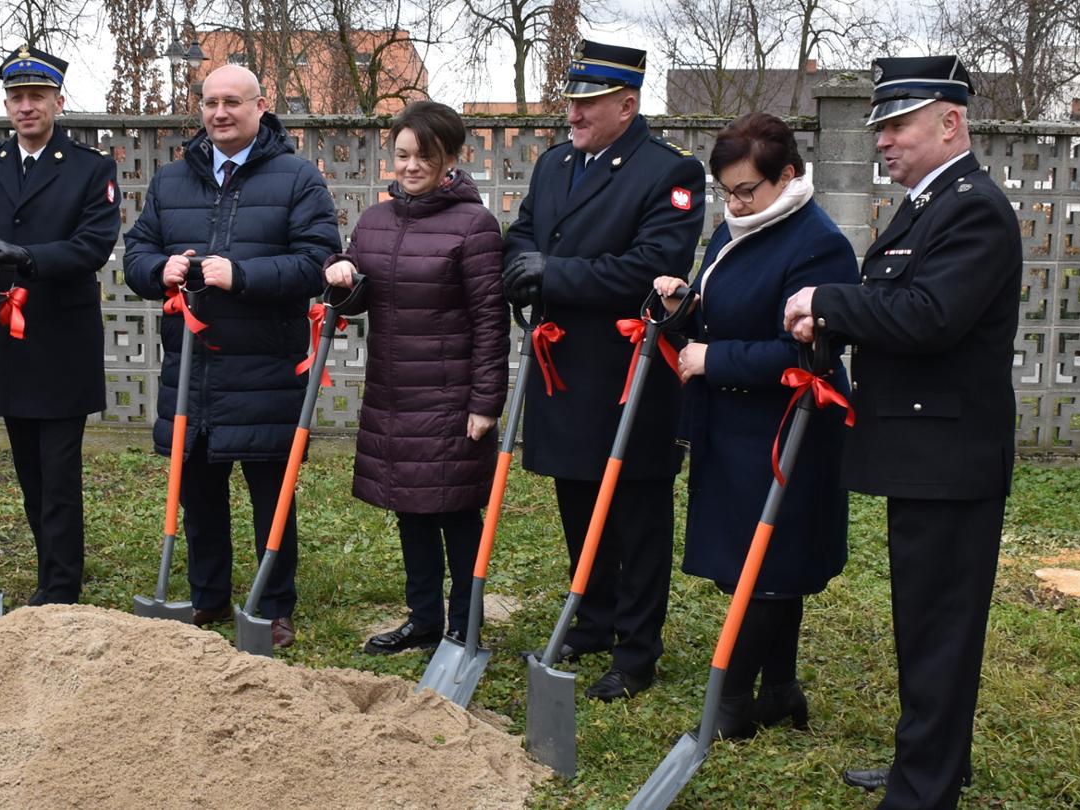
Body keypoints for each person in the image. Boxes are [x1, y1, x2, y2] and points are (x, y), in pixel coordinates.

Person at [782, 55, 1022, 809]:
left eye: (897, 126)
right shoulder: (927, 205)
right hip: (924, 453)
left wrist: (830, 301)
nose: (881, 141)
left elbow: (930, 317)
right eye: (879, 127)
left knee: (941, 628)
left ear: (951, 123)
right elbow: (896, 309)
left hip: (951, 458)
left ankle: (926, 788)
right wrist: (830, 323)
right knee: (923, 624)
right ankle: (931, 762)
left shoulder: (973, 207)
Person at [501, 41, 705, 700]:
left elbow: (653, 266)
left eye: (588, 103)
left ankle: (638, 647)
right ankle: (594, 617)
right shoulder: (555, 164)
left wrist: (553, 273)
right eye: (572, 100)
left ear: (627, 103)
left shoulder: (667, 173)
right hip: (563, 365)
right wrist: (523, 268)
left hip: (628, 373)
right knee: (577, 499)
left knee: (637, 514)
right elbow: (522, 236)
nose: (575, 113)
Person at [650, 112, 857, 737]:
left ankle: (734, 705)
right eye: (726, 190)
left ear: (787, 175)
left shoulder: (817, 243)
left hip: (785, 426)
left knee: (769, 566)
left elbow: (809, 352)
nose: (734, 202)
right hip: (733, 424)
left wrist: (712, 359)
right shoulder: (736, 229)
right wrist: (683, 305)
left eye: (747, 189)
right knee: (754, 566)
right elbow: (723, 312)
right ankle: (782, 688)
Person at [122, 64, 341, 649]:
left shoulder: (297, 179)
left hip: (264, 368)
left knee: (271, 493)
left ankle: (274, 605)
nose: (220, 113)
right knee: (198, 491)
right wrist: (155, 269)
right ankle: (207, 596)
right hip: (192, 367)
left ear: (261, 106)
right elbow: (135, 250)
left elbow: (318, 261)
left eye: (233, 102)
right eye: (210, 102)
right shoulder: (171, 182)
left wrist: (241, 275)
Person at [321, 100, 509, 655]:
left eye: (423, 155)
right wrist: (340, 273)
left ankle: (463, 624)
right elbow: (354, 298)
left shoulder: (474, 225)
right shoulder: (375, 220)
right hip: (394, 393)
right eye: (401, 155)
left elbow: (490, 322)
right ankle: (423, 618)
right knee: (411, 509)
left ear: (450, 157)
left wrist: (485, 402)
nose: (410, 166)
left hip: (451, 398)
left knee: (456, 512)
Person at [0, 46, 121, 606]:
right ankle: (49, 567)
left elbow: (92, 245)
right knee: (29, 473)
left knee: (59, 474)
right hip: (8, 341)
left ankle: (61, 586)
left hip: (62, 340)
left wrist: (23, 256)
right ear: (6, 105)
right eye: (17, 97)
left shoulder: (92, 169)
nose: (26, 107)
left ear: (57, 102)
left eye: (37, 97)